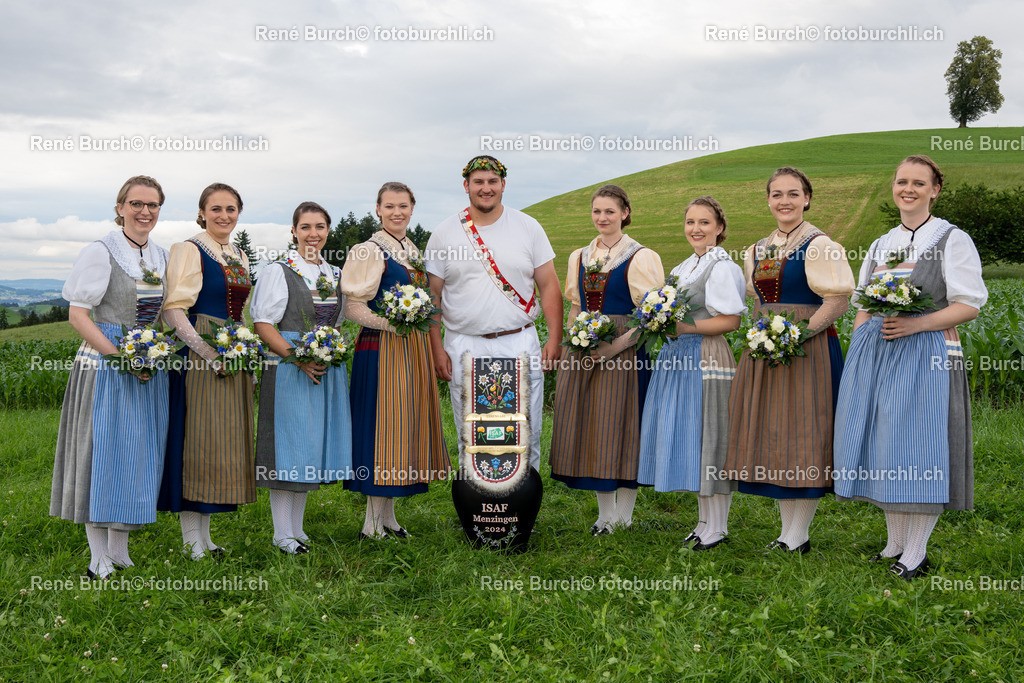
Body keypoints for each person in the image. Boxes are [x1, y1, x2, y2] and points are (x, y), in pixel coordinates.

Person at [833, 155, 987, 580]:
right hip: (880, 351)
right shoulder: (883, 242)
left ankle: (916, 552)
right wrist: (861, 349)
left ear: (935, 190)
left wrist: (916, 324)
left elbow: (968, 304)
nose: (909, 189)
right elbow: (864, 302)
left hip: (927, 353)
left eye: (920, 183)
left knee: (919, 447)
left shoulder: (952, 239)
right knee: (886, 443)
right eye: (902, 181)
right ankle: (894, 542)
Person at [722, 167, 855, 554]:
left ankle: (799, 534)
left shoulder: (820, 245)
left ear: (807, 199)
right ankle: (786, 531)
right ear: (767, 200)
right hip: (765, 348)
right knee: (775, 435)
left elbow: (837, 301)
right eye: (777, 194)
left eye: (793, 194)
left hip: (808, 349)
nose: (785, 201)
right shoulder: (757, 249)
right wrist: (765, 336)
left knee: (805, 435)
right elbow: (758, 302)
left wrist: (795, 335)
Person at [50, 175, 170, 579]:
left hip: (147, 365)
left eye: (152, 205)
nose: (144, 211)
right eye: (136, 203)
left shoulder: (161, 255)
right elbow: (78, 315)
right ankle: (97, 556)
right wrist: (120, 357)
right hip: (106, 363)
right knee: (100, 453)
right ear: (120, 207)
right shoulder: (100, 252)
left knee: (135, 454)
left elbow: (166, 313)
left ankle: (120, 550)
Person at [425, 155, 563, 472]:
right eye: (478, 182)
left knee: (525, 430)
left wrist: (554, 339)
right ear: (466, 186)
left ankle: (521, 513)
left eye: (492, 182)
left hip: (518, 342)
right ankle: (477, 513)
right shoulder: (445, 233)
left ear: (503, 184)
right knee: (471, 433)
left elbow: (549, 285)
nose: (485, 188)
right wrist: (436, 349)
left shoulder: (528, 227)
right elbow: (432, 296)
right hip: (464, 344)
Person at [549, 185, 663, 534]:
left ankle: (624, 516)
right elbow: (574, 306)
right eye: (597, 211)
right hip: (584, 352)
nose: (602, 218)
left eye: (610, 212)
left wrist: (613, 349)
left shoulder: (641, 256)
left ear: (625, 213)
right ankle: (604, 514)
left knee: (624, 427)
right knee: (593, 428)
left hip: (624, 351)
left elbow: (653, 315)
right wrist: (574, 343)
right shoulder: (578, 256)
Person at [341, 182, 449, 539]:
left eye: (403, 206)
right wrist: (394, 323)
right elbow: (353, 307)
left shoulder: (411, 251)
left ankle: (388, 518)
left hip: (411, 350)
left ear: (412, 209)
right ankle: (371, 523)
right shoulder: (367, 250)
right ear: (378, 209)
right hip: (382, 349)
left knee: (404, 430)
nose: (397, 212)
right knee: (382, 430)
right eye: (389, 206)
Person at [637, 196, 746, 549]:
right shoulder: (685, 267)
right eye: (690, 222)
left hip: (705, 356)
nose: (696, 229)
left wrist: (684, 329)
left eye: (704, 222)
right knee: (692, 438)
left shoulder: (722, 266)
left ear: (719, 228)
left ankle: (718, 526)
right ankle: (703, 522)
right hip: (678, 358)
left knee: (709, 440)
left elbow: (731, 320)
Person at [158, 182, 255, 559]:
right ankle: (190, 540)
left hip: (231, 347)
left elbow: (240, 309)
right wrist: (207, 353)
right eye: (216, 209)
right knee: (196, 440)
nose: (224, 216)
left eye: (231, 209)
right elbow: (174, 308)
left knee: (219, 441)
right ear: (202, 213)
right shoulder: (189, 248)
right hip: (199, 347)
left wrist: (245, 346)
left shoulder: (238, 253)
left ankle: (206, 536)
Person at [251, 202, 353, 554]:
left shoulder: (335, 272)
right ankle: (282, 534)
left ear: (328, 231)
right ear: (293, 231)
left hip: (324, 367)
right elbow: (263, 324)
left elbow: (337, 323)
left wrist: (330, 351)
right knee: (289, 447)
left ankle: (298, 529)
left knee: (309, 446)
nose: (314, 234)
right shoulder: (278, 271)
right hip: (288, 367)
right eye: (306, 227)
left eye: (320, 227)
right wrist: (298, 358)